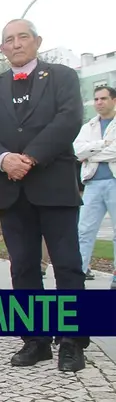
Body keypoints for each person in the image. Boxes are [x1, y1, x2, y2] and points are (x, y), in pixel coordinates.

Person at [0, 18, 86, 372]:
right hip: (11, 190)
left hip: (54, 185)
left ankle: (71, 341)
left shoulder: (63, 77)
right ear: (2, 49)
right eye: (9, 39)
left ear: (37, 41)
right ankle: (34, 341)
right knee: (22, 268)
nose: (16, 43)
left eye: (23, 37)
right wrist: (4, 159)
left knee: (67, 266)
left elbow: (69, 119)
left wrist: (31, 156)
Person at [74, 86, 116, 288]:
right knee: (84, 230)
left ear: (113, 100)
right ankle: (78, 273)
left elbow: (114, 151)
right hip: (92, 183)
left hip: (114, 182)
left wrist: (91, 152)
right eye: (96, 99)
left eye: (104, 98)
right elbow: (78, 151)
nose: (99, 102)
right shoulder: (88, 126)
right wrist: (102, 145)